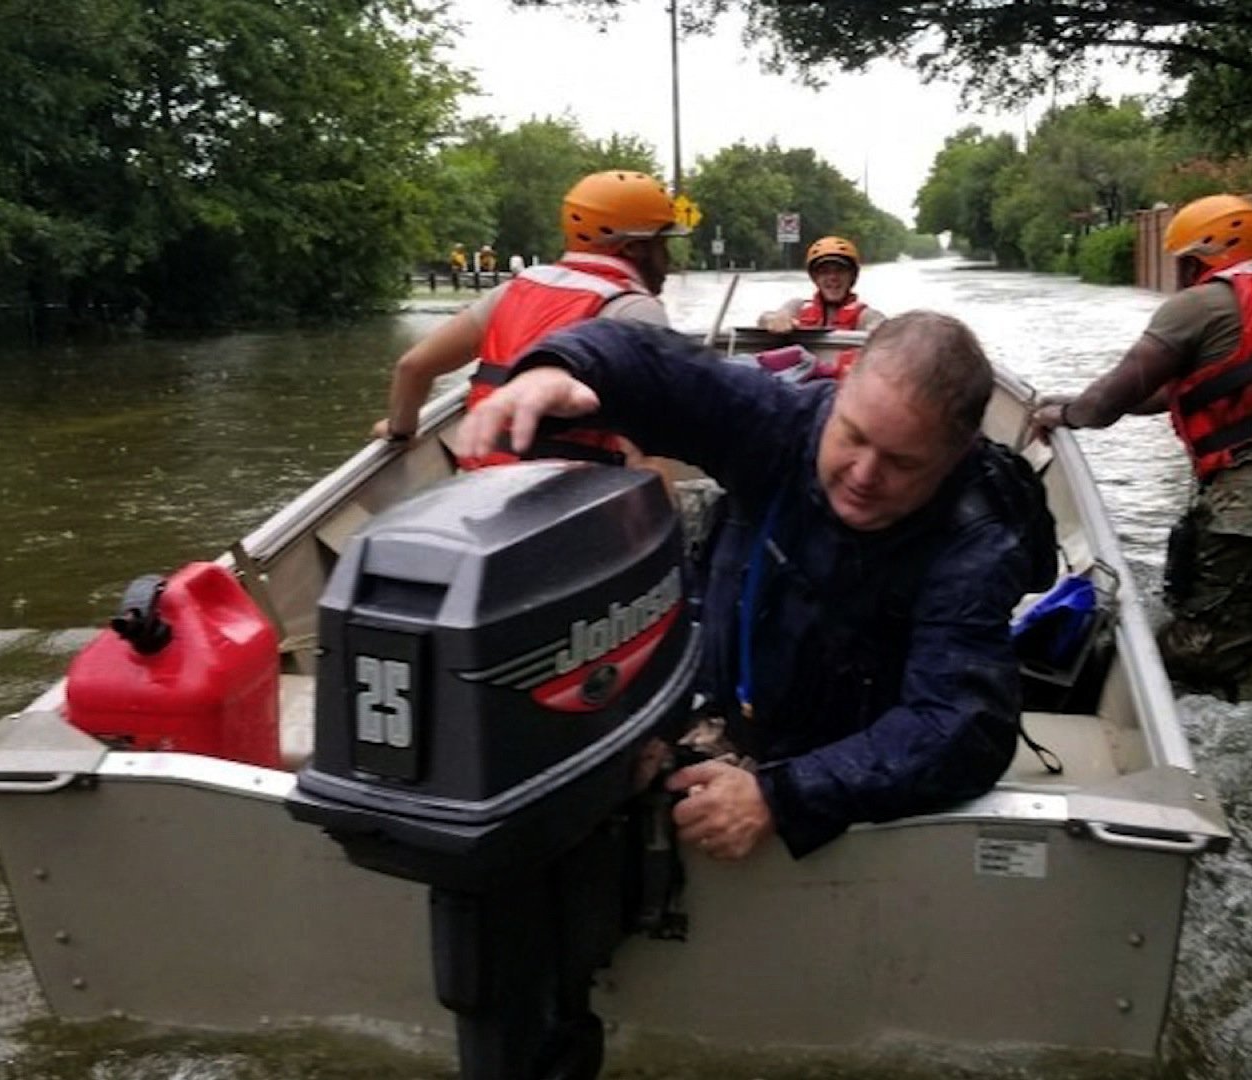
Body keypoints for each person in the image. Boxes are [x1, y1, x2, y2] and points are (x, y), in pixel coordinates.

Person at [455, 313, 1057, 861]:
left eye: (902, 464)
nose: (863, 474)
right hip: (729, 705)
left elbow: (960, 727)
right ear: (841, 392)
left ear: (955, 456)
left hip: (846, 765)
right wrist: (560, 368)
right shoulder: (782, 423)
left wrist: (782, 795)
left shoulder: (976, 541)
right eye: (852, 436)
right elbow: (659, 365)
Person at [1030, 193, 1252, 697]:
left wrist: (1064, 414)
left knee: (1199, 659)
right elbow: (1183, 391)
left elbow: (1113, 397)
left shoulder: (1198, 304)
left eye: (1184, 261)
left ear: (1201, 255)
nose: (1181, 272)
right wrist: (1080, 402)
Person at [371, 170, 687, 465]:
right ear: (634, 248)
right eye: (664, 246)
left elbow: (413, 367)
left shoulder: (512, 290)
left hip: (479, 493)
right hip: (576, 500)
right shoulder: (635, 310)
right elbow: (650, 452)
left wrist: (400, 431)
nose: (669, 262)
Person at [757, 236, 887, 334]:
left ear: (852, 275)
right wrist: (775, 319)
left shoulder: (866, 316)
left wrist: (881, 333)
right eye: (824, 272)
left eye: (840, 270)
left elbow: (885, 329)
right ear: (815, 277)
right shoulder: (797, 307)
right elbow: (765, 318)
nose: (833, 277)